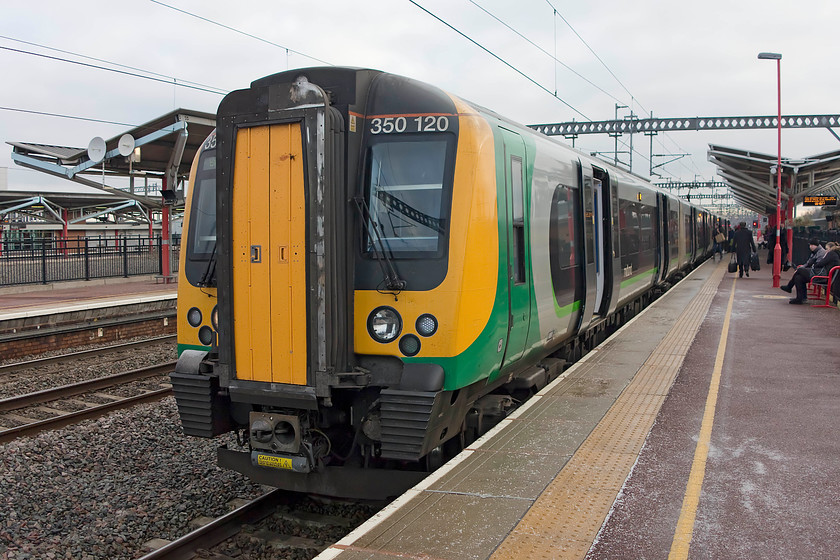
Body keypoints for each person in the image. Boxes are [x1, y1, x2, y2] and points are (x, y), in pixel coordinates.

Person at [781, 239, 840, 304]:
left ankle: (789, 286)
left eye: (827, 249)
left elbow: (820, 264)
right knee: (798, 278)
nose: (826, 250)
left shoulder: (831, 254)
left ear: (830, 248)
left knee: (800, 270)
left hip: (822, 277)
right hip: (823, 275)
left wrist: (814, 263)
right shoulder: (834, 254)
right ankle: (800, 298)